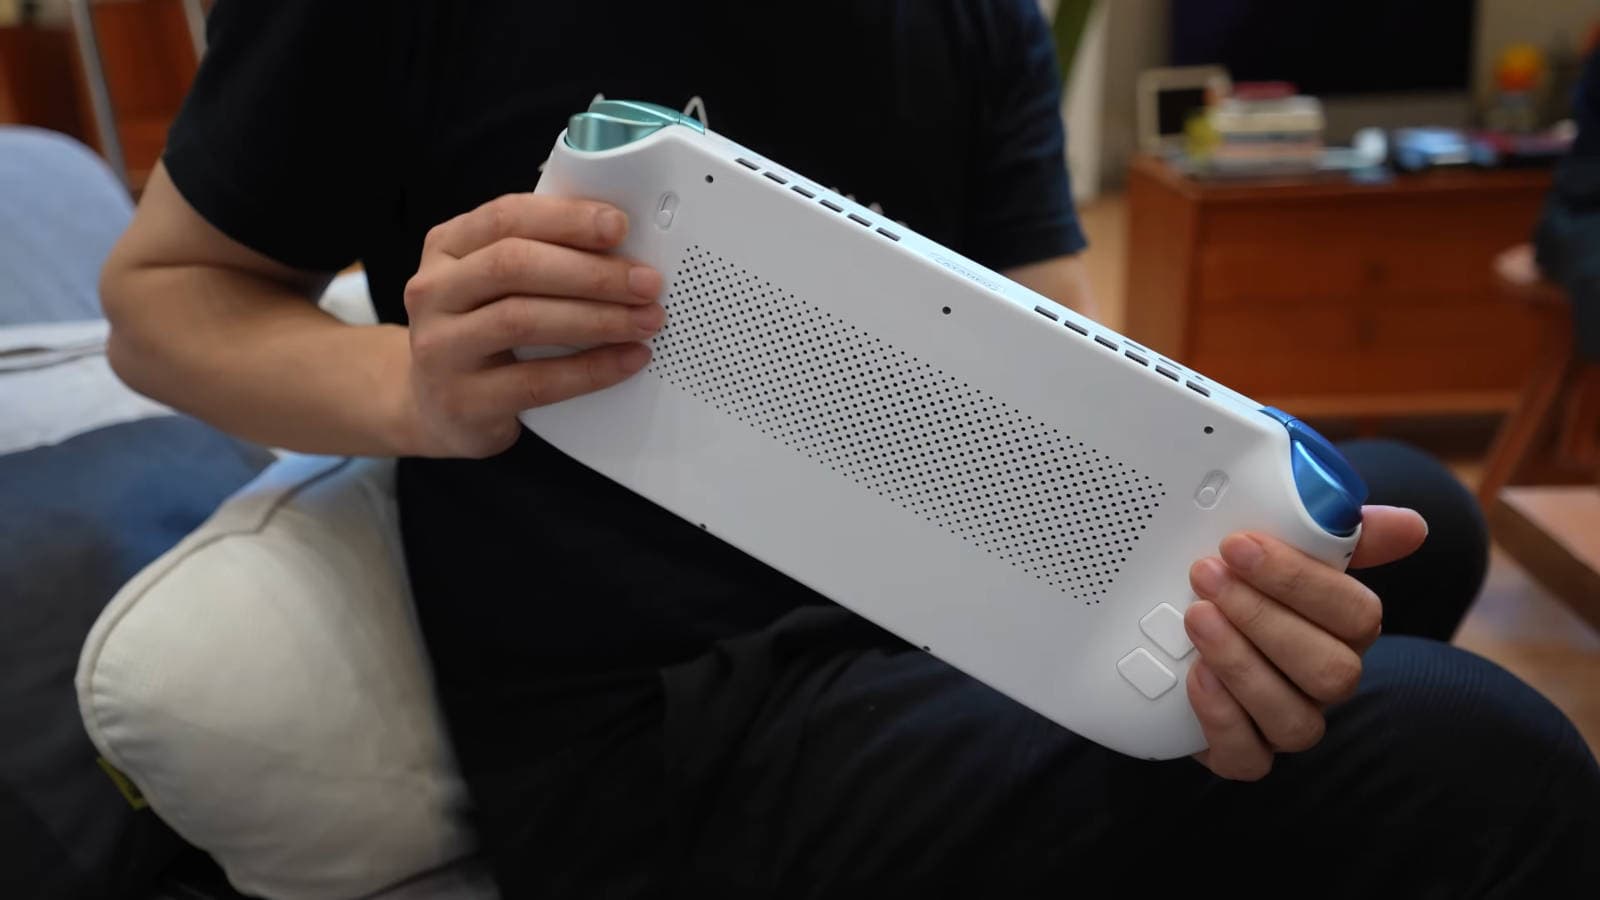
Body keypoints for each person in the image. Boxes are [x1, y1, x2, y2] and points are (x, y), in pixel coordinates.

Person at [100, 1, 1600, 896]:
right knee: (1485, 749)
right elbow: (161, 303)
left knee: (1415, 519)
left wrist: (1194, 561)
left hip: (962, 600)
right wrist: (418, 392)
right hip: (670, 722)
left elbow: (1062, 340)